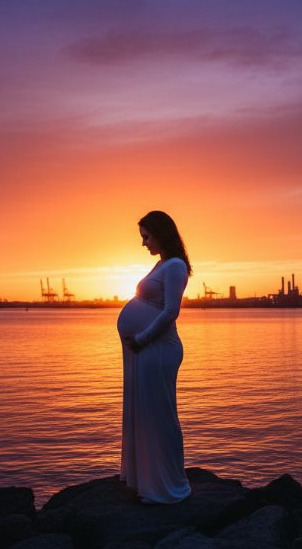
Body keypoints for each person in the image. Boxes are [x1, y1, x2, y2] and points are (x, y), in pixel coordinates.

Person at [116, 210, 192, 504]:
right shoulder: (161, 265)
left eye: (146, 236)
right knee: (146, 415)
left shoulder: (174, 266)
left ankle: (168, 488)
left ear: (161, 233)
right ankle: (147, 481)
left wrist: (142, 339)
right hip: (144, 349)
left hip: (157, 350)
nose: (144, 243)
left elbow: (171, 311)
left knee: (161, 417)